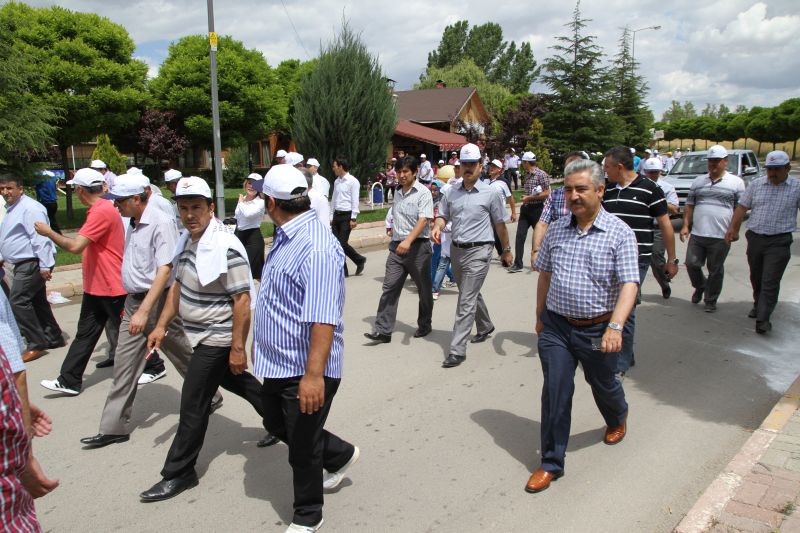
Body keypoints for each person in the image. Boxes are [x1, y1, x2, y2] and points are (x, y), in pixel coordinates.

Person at [139, 176, 278, 503]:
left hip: (217, 337)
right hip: (199, 335)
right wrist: (161, 325)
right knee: (242, 384)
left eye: (197, 207)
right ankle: (283, 423)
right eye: (184, 208)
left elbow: (242, 301)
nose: (190, 214)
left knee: (192, 404)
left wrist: (237, 347)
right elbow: (178, 287)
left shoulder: (224, 246)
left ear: (211, 208)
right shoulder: (187, 240)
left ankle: (179, 472)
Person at [249, 164, 358, 533]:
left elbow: (323, 318)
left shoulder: (316, 246)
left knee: (302, 446)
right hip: (279, 361)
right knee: (274, 421)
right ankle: (341, 453)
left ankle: (308, 515)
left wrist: (314, 377)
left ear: (270, 201)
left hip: (306, 366)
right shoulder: (286, 233)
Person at [79, 175, 223, 448]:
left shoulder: (160, 222)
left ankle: (210, 394)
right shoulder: (131, 221)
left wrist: (146, 311)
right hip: (135, 303)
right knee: (124, 363)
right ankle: (114, 427)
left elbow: (165, 269)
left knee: (183, 354)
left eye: (119, 201)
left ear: (136, 198)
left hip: (156, 304)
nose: (115, 206)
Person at [527, 159, 638, 494]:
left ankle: (617, 415)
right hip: (557, 327)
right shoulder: (558, 229)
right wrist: (539, 316)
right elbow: (545, 273)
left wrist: (615, 327)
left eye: (581, 189)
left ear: (600, 190)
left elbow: (630, 284)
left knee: (602, 381)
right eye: (568, 190)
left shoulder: (619, 233)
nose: (573, 196)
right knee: (556, 391)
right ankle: (551, 463)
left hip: (597, 330)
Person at [36, 169, 160, 395]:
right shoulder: (101, 208)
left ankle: (154, 365)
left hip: (112, 286)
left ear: (80, 190)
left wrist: (48, 232)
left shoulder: (101, 211)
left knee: (133, 331)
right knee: (86, 333)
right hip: (98, 286)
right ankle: (69, 380)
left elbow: (75, 247)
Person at [431, 143, 512, 368]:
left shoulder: (491, 193)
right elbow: (443, 215)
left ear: (480, 165)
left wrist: (506, 251)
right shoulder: (451, 192)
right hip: (457, 250)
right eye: (464, 164)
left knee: (465, 298)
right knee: (470, 291)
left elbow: (500, 225)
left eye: (472, 164)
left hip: (480, 250)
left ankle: (457, 349)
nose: (467, 168)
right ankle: (485, 325)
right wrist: (438, 226)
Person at [602, 147, 678, 376]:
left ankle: (621, 364)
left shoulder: (649, 188)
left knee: (627, 308)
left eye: (607, 167)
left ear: (620, 167)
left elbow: (665, 225)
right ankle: (623, 352)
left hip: (637, 259)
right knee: (610, 305)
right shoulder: (608, 189)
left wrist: (672, 259)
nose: (604, 171)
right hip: (608, 258)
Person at [725, 150, 800, 334]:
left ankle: (763, 318)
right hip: (756, 238)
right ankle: (759, 303)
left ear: (787, 168)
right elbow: (742, 207)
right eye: (769, 169)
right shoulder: (757, 185)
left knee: (770, 279)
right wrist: (732, 229)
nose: (773, 173)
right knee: (757, 276)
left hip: (779, 241)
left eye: (777, 169)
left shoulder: (796, 187)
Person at [364, 156, 434, 343]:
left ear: (415, 172)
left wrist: (408, 241)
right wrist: (392, 228)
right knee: (390, 287)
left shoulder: (423, 193)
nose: (401, 176)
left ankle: (425, 324)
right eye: (399, 172)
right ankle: (383, 330)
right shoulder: (397, 191)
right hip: (397, 247)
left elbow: (424, 219)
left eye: (406, 172)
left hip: (418, 247)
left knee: (424, 289)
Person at [0, 174, 63, 362]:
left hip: (32, 262)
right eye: (2, 188)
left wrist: (44, 265)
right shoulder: (13, 208)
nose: (5, 192)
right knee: (37, 300)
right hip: (22, 263)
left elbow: (40, 239)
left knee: (18, 300)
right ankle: (53, 337)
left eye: (9, 188)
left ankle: (36, 343)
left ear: (20, 188)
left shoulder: (30, 208)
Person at [680, 145, 745, 313]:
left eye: (716, 161)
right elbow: (689, 205)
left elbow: (741, 209)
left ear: (725, 162)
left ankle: (710, 300)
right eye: (710, 161)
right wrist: (686, 225)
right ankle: (700, 286)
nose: (713, 164)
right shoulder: (698, 181)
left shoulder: (736, 183)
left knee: (715, 269)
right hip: (698, 233)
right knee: (691, 263)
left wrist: (734, 229)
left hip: (721, 235)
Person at [531, 151, 590, 269]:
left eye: (576, 167)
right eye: (569, 168)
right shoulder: (555, 195)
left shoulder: (593, 193)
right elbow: (542, 224)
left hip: (587, 253)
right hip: (560, 253)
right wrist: (536, 250)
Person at [642, 157, 679, 298]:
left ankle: (664, 283)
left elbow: (675, 209)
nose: (652, 175)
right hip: (643, 227)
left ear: (660, 172)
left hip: (658, 228)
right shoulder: (640, 186)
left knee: (657, 257)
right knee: (638, 259)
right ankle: (635, 292)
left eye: (655, 172)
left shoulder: (667, 188)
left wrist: (659, 199)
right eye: (649, 172)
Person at [509, 151, 550, 273]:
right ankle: (518, 263)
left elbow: (547, 193)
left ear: (527, 163)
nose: (522, 165)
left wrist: (530, 198)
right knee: (520, 236)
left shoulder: (541, 175)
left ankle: (542, 261)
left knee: (540, 237)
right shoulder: (526, 175)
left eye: (523, 163)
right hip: (526, 209)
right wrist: (526, 197)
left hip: (537, 209)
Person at [330, 157, 366, 276]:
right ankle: (343, 270)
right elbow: (334, 199)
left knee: (342, 244)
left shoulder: (353, 181)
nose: (333, 168)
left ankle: (359, 259)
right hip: (336, 215)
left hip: (347, 216)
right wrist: (331, 215)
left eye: (334, 166)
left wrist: (353, 218)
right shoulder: (337, 181)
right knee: (336, 244)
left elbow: (355, 200)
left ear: (340, 167)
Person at [234, 173, 266, 281]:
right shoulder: (242, 199)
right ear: (245, 184)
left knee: (253, 274)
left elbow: (248, 214)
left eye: (255, 185)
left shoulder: (260, 202)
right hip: (239, 236)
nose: (251, 186)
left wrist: (241, 203)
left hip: (253, 238)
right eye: (249, 183)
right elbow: (238, 216)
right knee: (238, 272)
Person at [487, 159, 517, 260]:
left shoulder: (503, 182)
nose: (491, 168)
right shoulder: (486, 181)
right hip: (487, 214)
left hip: (498, 213)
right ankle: (501, 254)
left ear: (499, 169)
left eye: (494, 167)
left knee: (498, 234)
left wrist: (513, 212)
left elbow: (510, 197)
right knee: (492, 235)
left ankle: (504, 253)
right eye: (490, 166)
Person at [34, 170, 61, 235]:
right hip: (53, 202)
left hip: (45, 201)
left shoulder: (40, 176)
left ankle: (59, 236)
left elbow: (34, 183)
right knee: (52, 219)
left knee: (48, 221)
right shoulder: (52, 175)